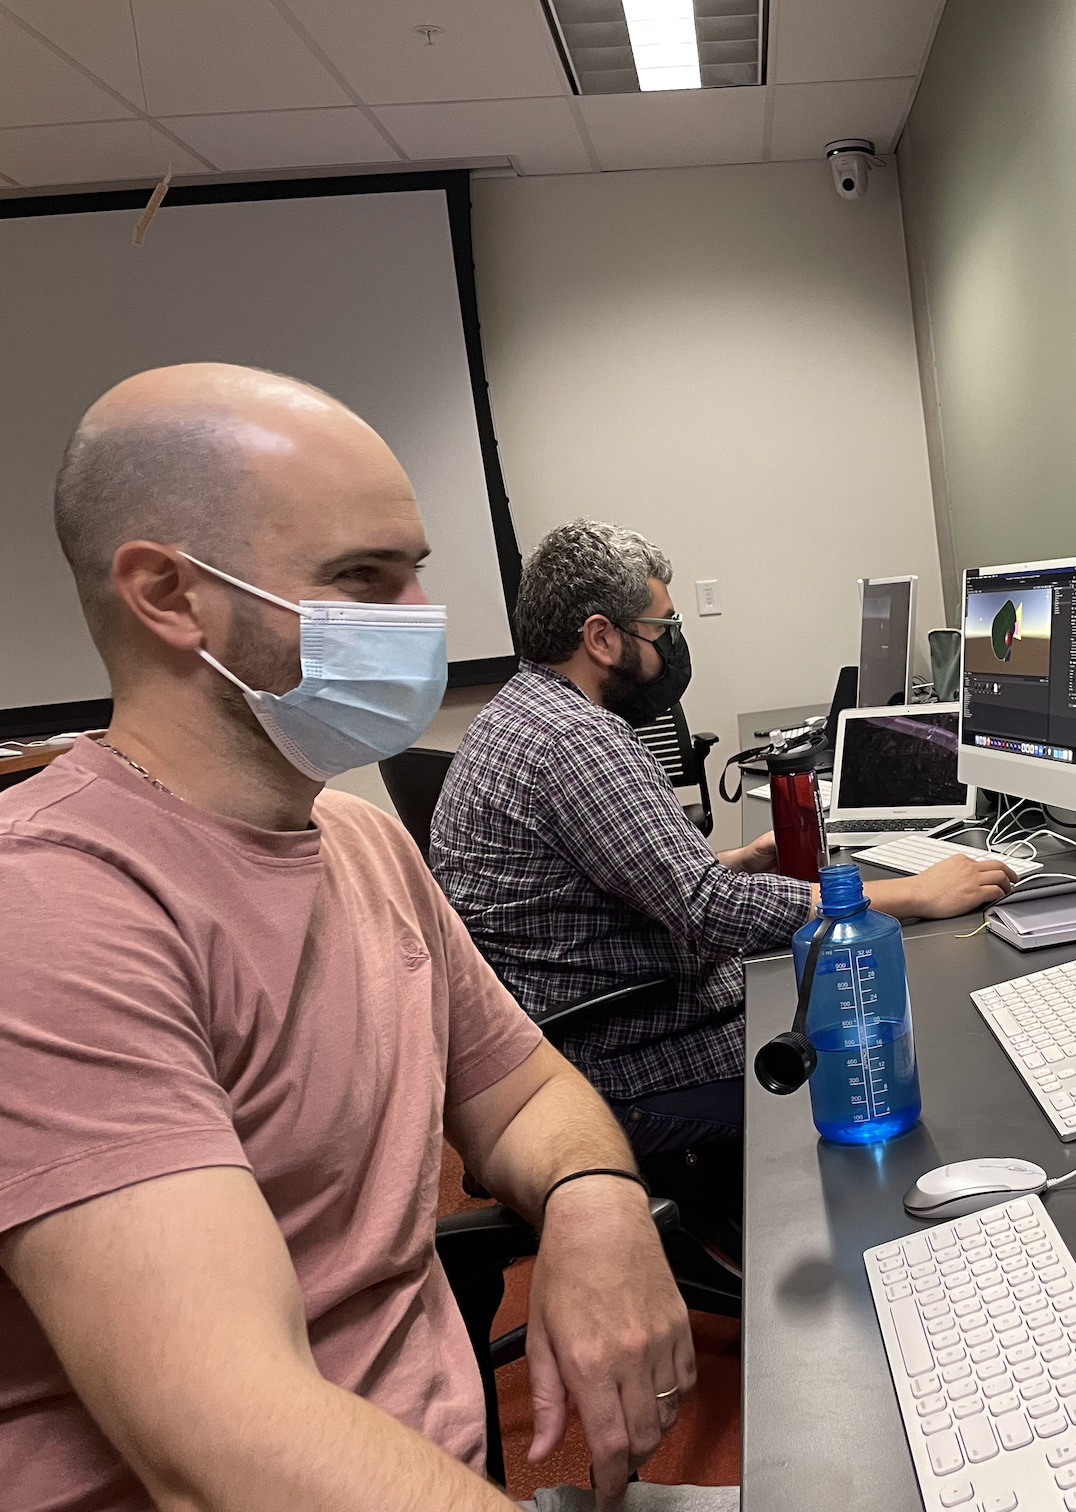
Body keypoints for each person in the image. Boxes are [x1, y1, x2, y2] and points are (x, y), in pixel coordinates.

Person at [0, 365, 688, 1512]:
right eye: (364, 580)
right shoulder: (55, 910)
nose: (419, 622)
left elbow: (522, 1098)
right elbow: (222, 1446)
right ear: (170, 595)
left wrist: (594, 1196)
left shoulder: (359, 842)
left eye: (416, 574)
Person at [431, 520, 1016, 1161]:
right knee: (895, 1050)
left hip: (569, 1041)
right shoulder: (577, 741)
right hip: (625, 1065)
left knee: (850, 995)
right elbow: (710, 911)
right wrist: (915, 894)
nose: (673, 648)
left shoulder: (519, 712)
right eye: (663, 630)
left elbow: (603, 878)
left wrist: (728, 861)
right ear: (601, 637)